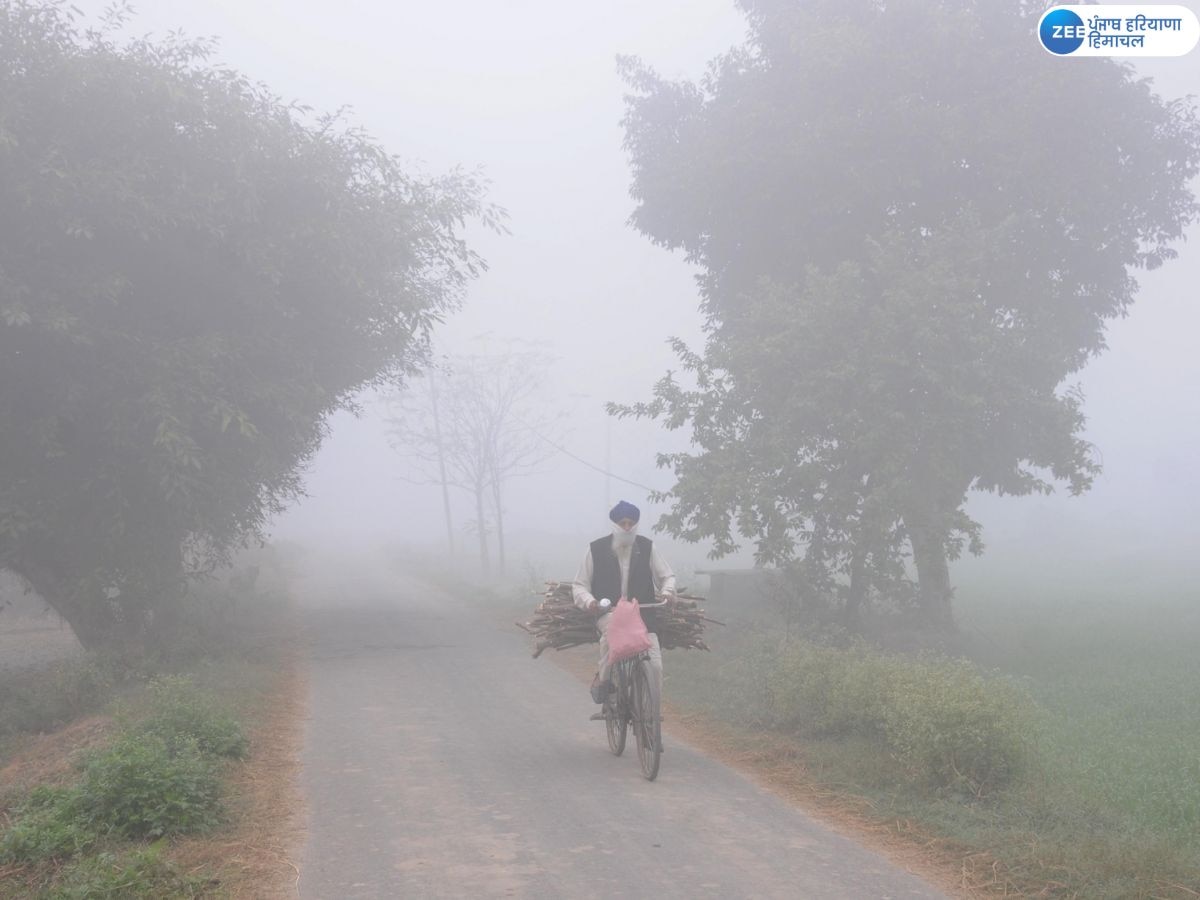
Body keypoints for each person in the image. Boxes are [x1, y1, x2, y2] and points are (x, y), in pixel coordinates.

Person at [572, 500, 676, 706]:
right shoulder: (596, 549)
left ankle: (649, 711)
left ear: (636, 524)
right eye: (622, 523)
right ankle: (606, 684)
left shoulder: (647, 547)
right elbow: (579, 585)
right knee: (611, 634)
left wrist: (667, 592)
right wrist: (590, 602)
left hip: (643, 615)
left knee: (655, 666)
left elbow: (668, 576)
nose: (627, 527)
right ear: (614, 524)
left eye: (631, 523)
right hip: (609, 613)